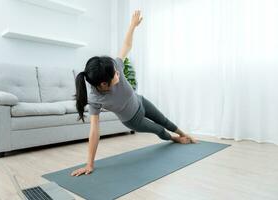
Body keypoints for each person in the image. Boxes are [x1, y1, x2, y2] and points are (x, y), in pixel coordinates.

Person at [71, 10, 197, 177]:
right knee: (159, 130)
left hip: (140, 101)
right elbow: (94, 131)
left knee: (164, 120)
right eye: (115, 74)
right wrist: (89, 164)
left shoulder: (114, 67)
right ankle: (174, 139)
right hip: (133, 120)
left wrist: (132, 26)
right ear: (103, 84)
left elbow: (126, 46)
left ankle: (184, 135)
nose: (118, 72)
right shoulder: (95, 98)